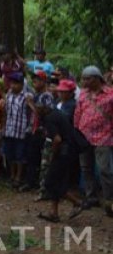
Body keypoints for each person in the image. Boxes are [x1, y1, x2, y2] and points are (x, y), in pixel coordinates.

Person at [35, 93, 84, 222]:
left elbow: (57, 139)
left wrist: (53, 154)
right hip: (69, 151)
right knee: (57, 180)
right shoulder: (57, 113)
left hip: (63, 152)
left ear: (44, 107)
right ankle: (54, 212)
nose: (37, 109)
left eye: (39, 107)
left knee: (51, 182)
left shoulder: (49, 118)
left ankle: (77, 202)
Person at [74, 66, 113, 216]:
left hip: (104, 137)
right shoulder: (83, 95)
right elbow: (78, 114)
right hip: (84, 137)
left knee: (105, 170)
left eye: (87, 78)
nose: (84, 81)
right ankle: (91, 197)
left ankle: (109, 199)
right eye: (83, 78)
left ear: (97, 79)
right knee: (86, 168)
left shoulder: (110, 94)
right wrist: (76, 132)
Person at [0, 72, 33, 189]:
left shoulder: (27, 96)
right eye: (12, 83)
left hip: (21, 130)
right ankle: (12, 176)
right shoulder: (8, 95)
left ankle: (19, 177)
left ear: (22, 84)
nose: (13, 86)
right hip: (9, 129)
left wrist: (29, 127)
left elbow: (32, 113)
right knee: (9, 154)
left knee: (20, 155)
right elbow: (5, 113)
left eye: (16, 83)